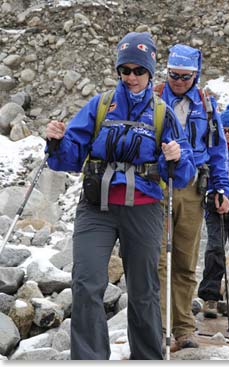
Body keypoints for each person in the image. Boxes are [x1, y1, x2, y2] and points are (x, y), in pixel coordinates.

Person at [45, 32, 195, 360]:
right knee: (86, 283)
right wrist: (56, 142)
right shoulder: (99, 105)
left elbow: (185, 173)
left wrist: (175, 157)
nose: (131, 77)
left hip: (143, 209)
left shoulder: (162, 113)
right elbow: (67, 159)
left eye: (138, 71)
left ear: (150, 72)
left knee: (143, 292)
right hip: (95, 207)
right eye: (124, 70)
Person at [156, 44, 229, 350]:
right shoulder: (154, 98)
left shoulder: (206, 105)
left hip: (193, 189)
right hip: (158, 183)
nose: (179, 81)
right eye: (174, 75)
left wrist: (220, 188)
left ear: (196, 75)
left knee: (185, 260)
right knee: (159, 260)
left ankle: (183, 329)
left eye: (186, 77)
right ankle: (157, 329)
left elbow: (217, 151)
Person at [198, 103, 229, 317]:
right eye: (224, 130)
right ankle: (210, 297)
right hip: (215, 204)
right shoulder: (213, 149)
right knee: (215, 249)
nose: (227, 135)